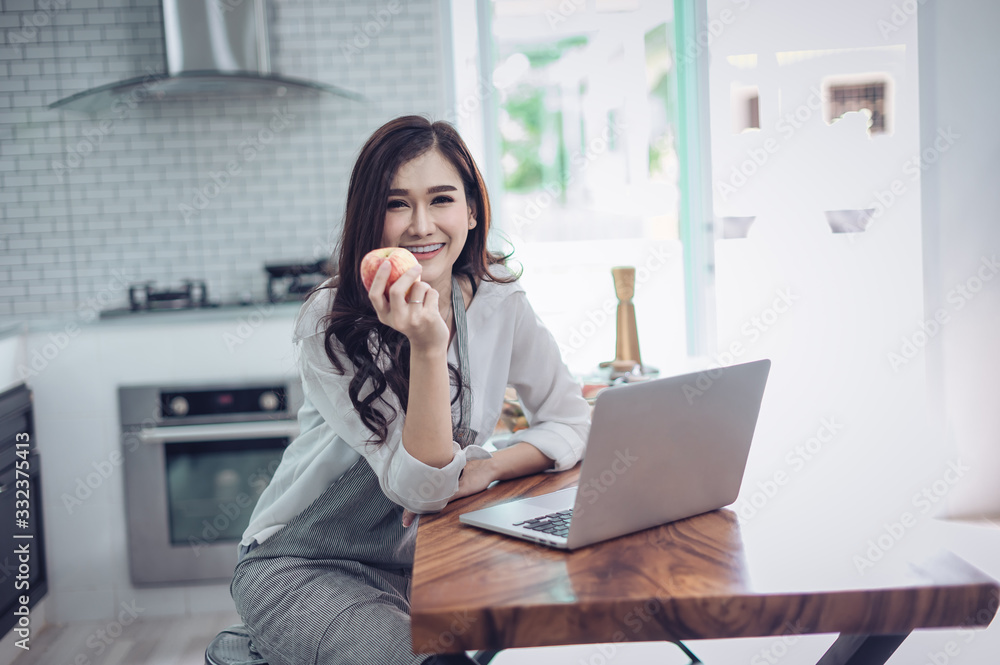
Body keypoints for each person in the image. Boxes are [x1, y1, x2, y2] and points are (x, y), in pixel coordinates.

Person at [230, 115, 591, 665]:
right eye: (397, 204)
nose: (421, 225)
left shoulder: (499, 302)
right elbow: (419, 491)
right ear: (370, 219)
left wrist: (489, 467)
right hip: (303, 567)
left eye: (441, 199)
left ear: (472, 211)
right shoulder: (332, 323)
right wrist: (426, 347)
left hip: (428, 558)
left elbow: (573, 419)